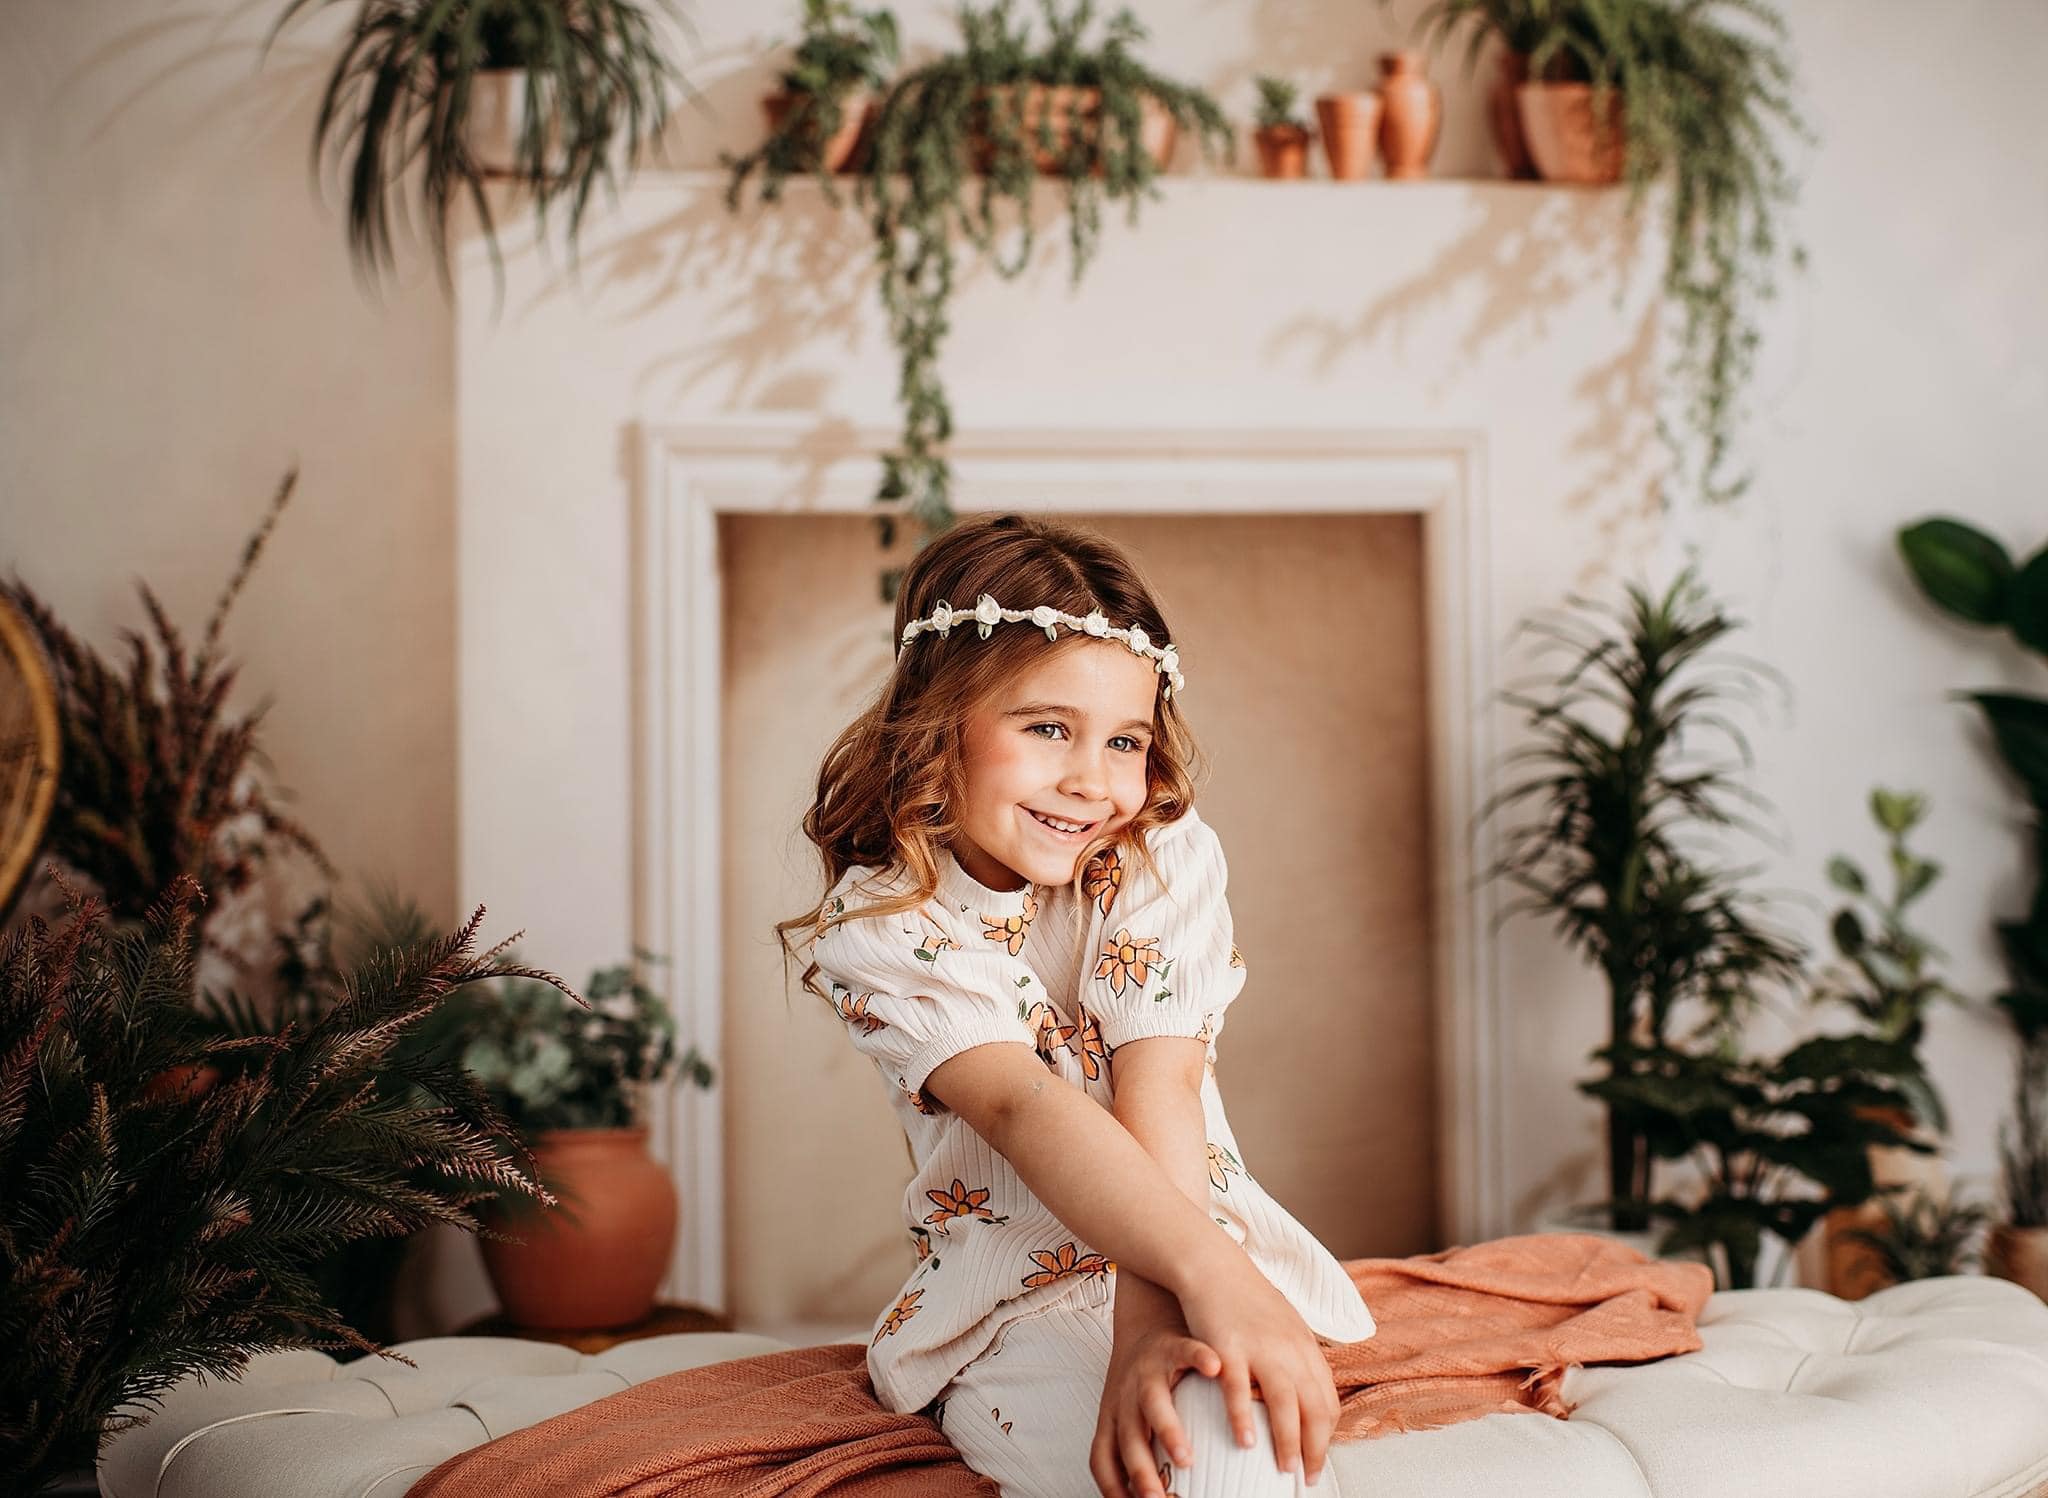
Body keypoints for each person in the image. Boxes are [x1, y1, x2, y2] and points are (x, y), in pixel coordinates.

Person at [775, 514, 1376, 1498]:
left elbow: (1162, 1077)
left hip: (1189, 1245)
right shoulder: (882, 922)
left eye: (1125, 740)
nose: (1092, 781)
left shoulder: (1156, 851)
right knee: (1176, 1469)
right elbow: (1021, 1107)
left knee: (1231, 1448)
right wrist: (1197, 1286)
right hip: (1012, 1304)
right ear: (939, 721)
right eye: (1047, 726)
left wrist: (1177, 1302)